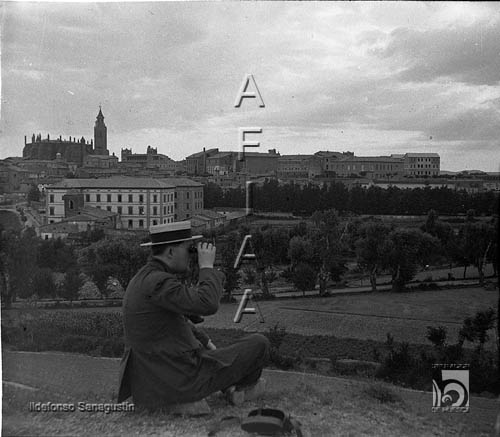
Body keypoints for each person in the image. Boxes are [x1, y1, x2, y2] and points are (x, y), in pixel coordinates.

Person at [117, 221, 269, 410]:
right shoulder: (158, 282)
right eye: (188, 249)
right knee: (259, 343)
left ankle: (231, 390)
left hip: (158, 375)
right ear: (171, 252)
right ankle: (240, 389)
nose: (191, 255)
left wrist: (206, 342)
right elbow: (208, 304)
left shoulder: (144, 278)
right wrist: (206, 267)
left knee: (219, 356)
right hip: (178, 379)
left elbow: (174, 321)